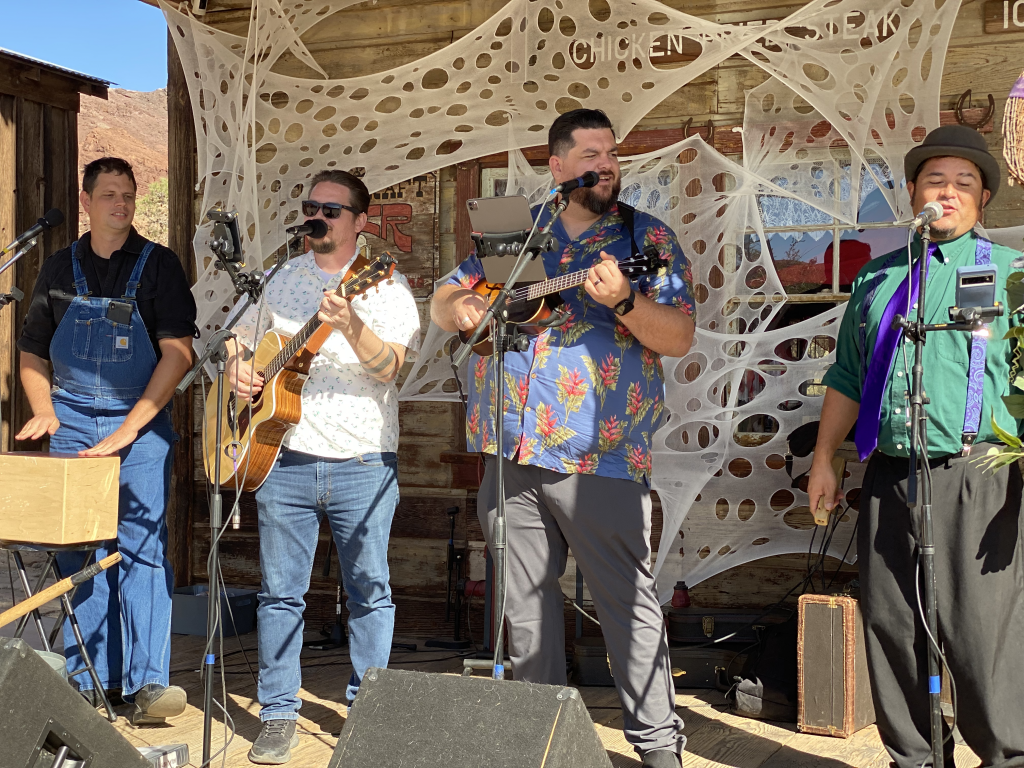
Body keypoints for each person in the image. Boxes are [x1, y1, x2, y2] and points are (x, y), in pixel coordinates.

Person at [430, 109, 696, 768]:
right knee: (525, 611)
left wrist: (625, 303)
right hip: (509, 448)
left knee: (626, 606)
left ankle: (660, 751)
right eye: (590, 154)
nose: (605, 164)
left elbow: (680, 336)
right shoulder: (518, 233)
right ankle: (544, 746)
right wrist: (459, 308)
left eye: (611, 154)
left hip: (596, 453)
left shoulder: (645, 237)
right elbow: (445, 296)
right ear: (556, 166)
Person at [808, 125, 1024, 767]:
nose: (948, 192)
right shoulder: (877, 279)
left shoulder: (1011, 273)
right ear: (912, 193)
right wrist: (825, 458)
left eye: (964, 183)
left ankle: (1008, 755)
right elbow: (848, 375)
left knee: (981, 631)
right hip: (890, 474)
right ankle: (916, 757)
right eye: (936, 180)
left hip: (977, 475)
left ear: (983, 199)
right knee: (894, 625)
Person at [225, 170, 421, 765]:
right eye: (312, 208)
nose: (319, 218)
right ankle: (279, 712)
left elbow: (393, 370)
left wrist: (349, 324)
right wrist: (238, 367)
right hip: (283, 456)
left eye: (331, 211)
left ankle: (368, 712)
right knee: (280, 595)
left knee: (369, 591)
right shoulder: (283, 278)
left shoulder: (383, 287)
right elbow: (237, 336)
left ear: (360, 223)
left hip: (362, 460)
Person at [16, 157, 196, 725]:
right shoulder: (57, 268)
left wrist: (129, 427)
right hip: (69, 421)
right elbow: (31, 351)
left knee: (142, 549)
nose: (121, 204)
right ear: (87, 199)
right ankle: (88, 681)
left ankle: (148, 686)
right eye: (110, 194)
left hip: (139, 425)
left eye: (129, 195)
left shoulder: (161, 265)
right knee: (79, 550)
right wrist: (44, 411)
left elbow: (178, 354)